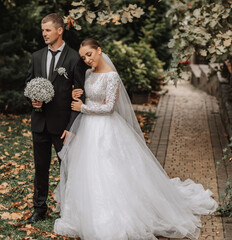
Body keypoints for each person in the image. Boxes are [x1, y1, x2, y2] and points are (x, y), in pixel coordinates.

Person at [53, 38, 218, 240]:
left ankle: (117, 216)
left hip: (107, 129)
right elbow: (92, 97)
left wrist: (83, 108)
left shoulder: (112, 76)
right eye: (83, 57)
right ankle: (86, 213)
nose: (87, 60)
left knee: (111, 170)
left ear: (99, 50)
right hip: (88, 129)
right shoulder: (88, 74)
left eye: (89, 54)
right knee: (88, 170)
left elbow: (109, 108)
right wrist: (78, 95)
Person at [25, 13, 86, 224]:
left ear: (60, 30)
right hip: (39, 123)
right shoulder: (36, 56)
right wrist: (33, 101)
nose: (44, 34)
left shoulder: (74, 58)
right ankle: (39, 208)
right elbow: (28, 85)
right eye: (43, 30)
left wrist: (72, 126)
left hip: (63, 126)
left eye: (48, 30)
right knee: (40, 169)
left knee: (68, 168)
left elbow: (80, 93)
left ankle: (70, 208)